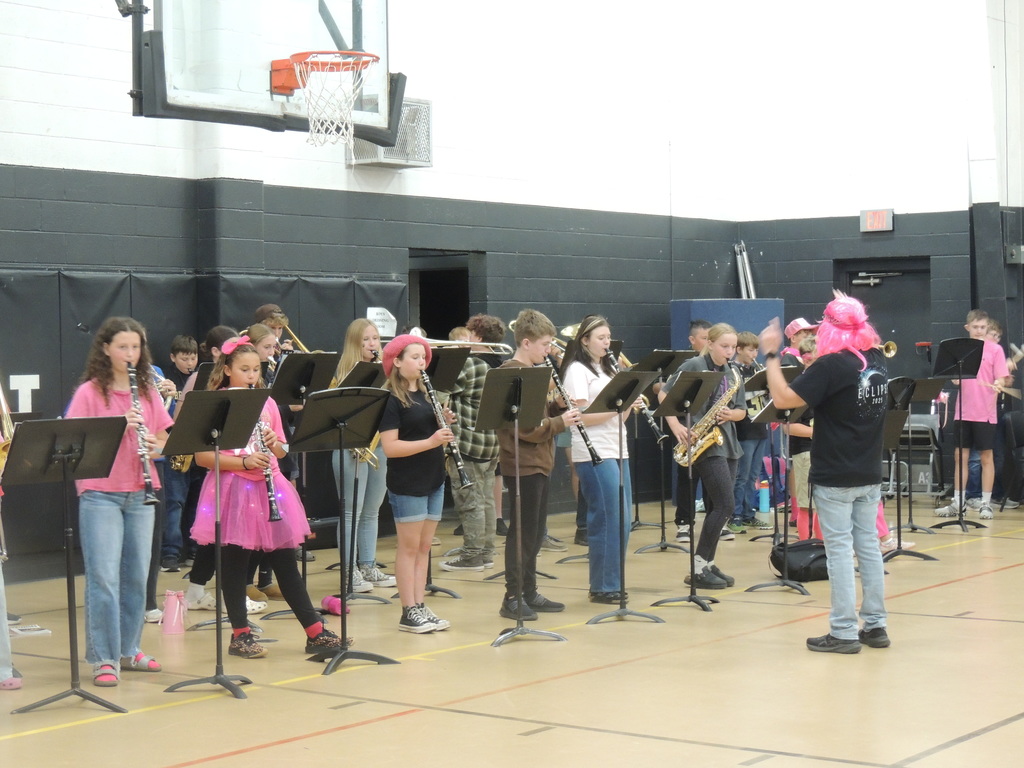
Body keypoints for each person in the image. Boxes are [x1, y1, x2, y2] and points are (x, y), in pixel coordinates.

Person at [190, 337, 343, 659]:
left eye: (255, 369)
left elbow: (285, 450)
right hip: (233, 490)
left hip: (270, 486)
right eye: (244, 369)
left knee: (286, 563)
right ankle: (240, 635)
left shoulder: (268, 403)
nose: (250, 375)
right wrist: (243, 462)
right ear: (227, 369)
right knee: (234, 564)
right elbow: (203, 458)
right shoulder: (215, 403)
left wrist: (274, 443)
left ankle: (315, 632)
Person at [760, 292, 890, 653]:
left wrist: (771, 355)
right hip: (868, 470)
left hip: (835, 472)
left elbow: (784, 400)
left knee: (839, 551)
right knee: (868, 548)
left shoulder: (831, 365)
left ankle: (844, 631)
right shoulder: (876, 360)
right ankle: (876, 626)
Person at [65, 317, 174, 687]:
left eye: (136, 347)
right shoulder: (89, 392)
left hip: (141, 489)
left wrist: (154, 446)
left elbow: (163, 437)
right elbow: (73, 445)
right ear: (106, 349)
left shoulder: (146, 390)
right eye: (123, 347)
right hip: (100, 493)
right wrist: (117, 425)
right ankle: (104, 657)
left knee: (136, 576)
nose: (130, 354)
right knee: (104, 578)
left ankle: (129, 649)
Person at [496, 309, 577, 619]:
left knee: (535, 529)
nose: (548, 351)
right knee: (523, 532)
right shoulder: (514, 374)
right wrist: (561, 421)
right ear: (526, 343)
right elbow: (525, 429)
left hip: (539, 461)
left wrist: (555, 405)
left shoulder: (532, 372)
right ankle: (512, 597)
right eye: (544, 345)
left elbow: (536, 414)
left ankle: (528, 591)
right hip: (523, 463)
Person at [563, 315, 642, 604]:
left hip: (617, 448)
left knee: (622, 519)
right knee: (607, 518)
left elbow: (618, 417)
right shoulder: (576, 370)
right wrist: (619, 407)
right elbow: (579, 418)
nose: (607, 343)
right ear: (584, 340)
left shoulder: (608, 369)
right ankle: (603, 585)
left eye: (608, 337)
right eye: (600, 338)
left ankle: (613, 581)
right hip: (593, 451)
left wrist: (630, 403)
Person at [379, 334, 454, 633]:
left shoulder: (426, 394)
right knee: (408, 548)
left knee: (424, 547)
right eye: (414, 357)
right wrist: (432, 440)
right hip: (407, 480)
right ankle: (407, 609)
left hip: (434, 476)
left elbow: (429, 433)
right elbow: (391, 448)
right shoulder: (390, 400)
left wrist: (444, 423)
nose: (421, 362)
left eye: (423, 357)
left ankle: (420, 605)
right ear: (396, 362)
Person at [662, 323, 746, 589]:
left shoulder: (733, 372)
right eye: (724, 346)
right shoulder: (695, 365)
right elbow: (665, 394)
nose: (730, 352)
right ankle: (698, 566)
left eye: (733, 347)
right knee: (725, 505)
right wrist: (676, 426)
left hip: (728, 441)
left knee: (716, 507)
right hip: (704, 442)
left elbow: (742, 410)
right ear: (709, 343)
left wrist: (731, 414)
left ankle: (707, 563)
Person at [329, 318, 395, 592]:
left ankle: (368, 565)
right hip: (350, 448)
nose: (372, 345)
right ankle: (348, 572)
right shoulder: (341, 375)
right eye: (365, 340)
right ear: (354, 344)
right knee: (350, 513)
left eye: (375, 339)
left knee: (371, 512)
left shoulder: (385, 373)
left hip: (378, 445)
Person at [441, 314, 506, 572]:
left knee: (469, 501)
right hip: (492, 443)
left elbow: (438, 392)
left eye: (469, 332)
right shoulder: (500, 364)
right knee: (487, 499)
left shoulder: (470, 365)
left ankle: (472, 555)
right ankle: (487, 551)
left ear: (477, 336)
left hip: (468, 443)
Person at [935, 310, 1011, 520]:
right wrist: (955, 379)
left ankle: (986, 503)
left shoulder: (994, 350)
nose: (979, 331)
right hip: (962, 411)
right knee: (961, 457)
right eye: (975, 327)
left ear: (987, 328)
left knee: (986, 457)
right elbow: (954, 377)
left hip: (985, 413)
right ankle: (959, 502)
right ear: (968, 328)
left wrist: (999, 383)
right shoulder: (961, 351)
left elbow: (1002, 378)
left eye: (983, 328)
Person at [158, 334, 199, 573]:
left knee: (196, 502)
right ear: (173, 358)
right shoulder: (164, 379)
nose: (190, 363)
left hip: (195, 446)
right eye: (184, 358)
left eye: (193, 357)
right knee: (174, 502)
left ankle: (194, 550)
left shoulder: (200, 377)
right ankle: (170, 554)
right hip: (175, 447)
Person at [729, 331, 769, 533]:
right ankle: (735, 514)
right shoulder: (733, 370)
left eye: (756, 350)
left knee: (753, 475)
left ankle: (748, 514)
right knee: (741, 476)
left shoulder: (757, 369)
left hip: (760, 428)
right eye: (751, 350)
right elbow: (738, 398)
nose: (755, 354)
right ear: (739, 349)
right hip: (744, 429)